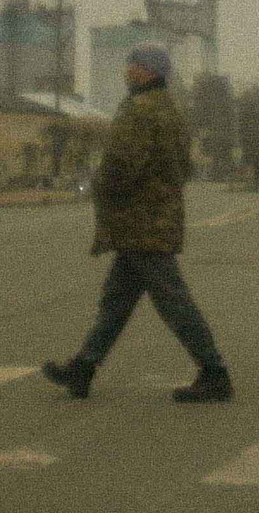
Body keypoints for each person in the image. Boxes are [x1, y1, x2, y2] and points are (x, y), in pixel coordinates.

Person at [42, 44, 234, 404]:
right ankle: (83, 368)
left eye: (132, 65)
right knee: (116, 302)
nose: (126, 71)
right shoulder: (171, 110)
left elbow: (121, 164)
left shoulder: (140, 110)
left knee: (173, 301)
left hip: (140, 222)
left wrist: (100, 186)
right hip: (154, 219)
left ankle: (214, 372)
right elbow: (183, 168)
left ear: (147, 71)